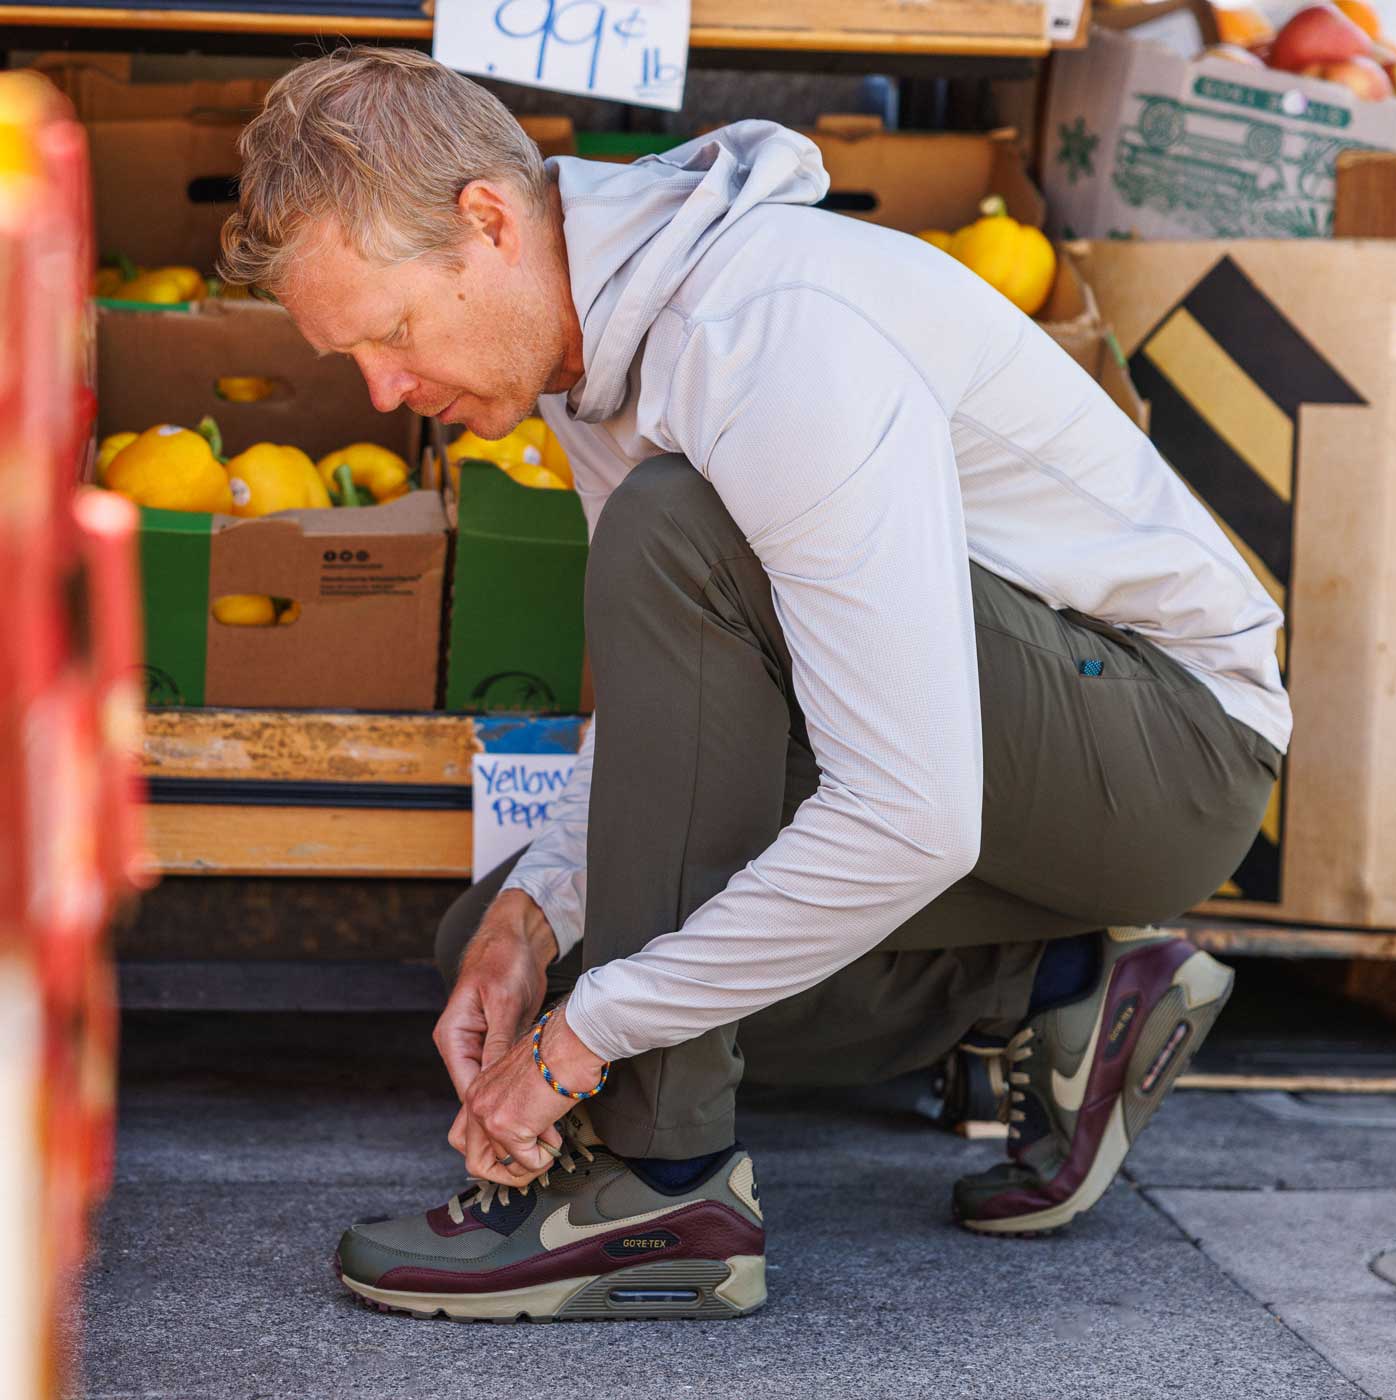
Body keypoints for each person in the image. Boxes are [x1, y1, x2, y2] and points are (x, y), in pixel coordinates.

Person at [219, 46, 1289, 1323]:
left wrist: (581, 1048)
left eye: (391, 333)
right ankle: (1052, 983)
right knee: (507, 953)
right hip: (992, 750)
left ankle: (658, 1190)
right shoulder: (580, 348)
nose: (386, 390)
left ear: (487, 223)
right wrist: (533, 919)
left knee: (674, 530)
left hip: (1167, 749)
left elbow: (908, 811)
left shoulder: (766, 332)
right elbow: (660, 708)